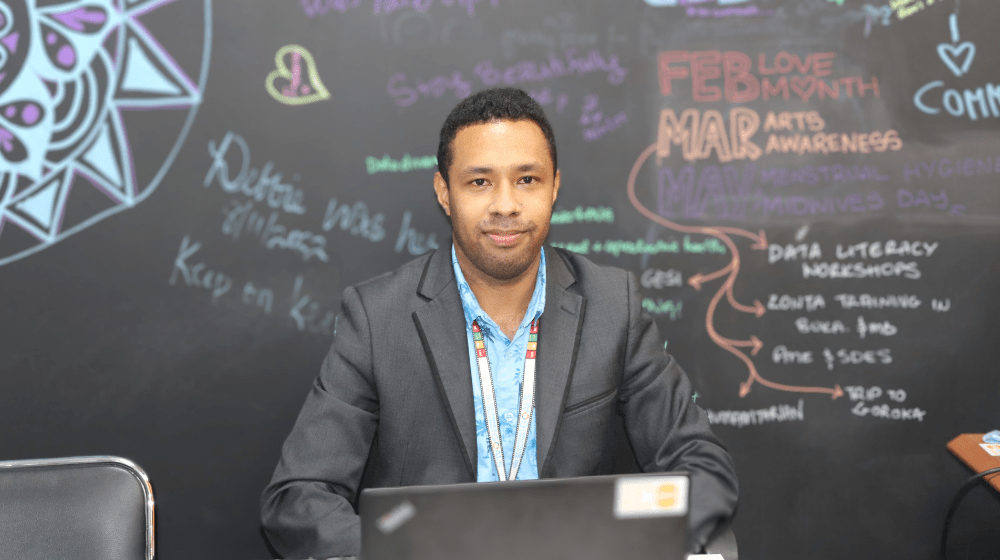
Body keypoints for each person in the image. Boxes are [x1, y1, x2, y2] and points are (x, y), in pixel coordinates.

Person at [260, 87, 738, 558]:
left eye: (526, 179)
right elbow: (298, 497)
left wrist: (632, 544)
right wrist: (406, 553)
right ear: (444, 192)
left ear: (555, 186)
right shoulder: (377, 317)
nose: (506, 205)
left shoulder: (614, 306)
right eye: (480, 182)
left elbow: (701, 464)